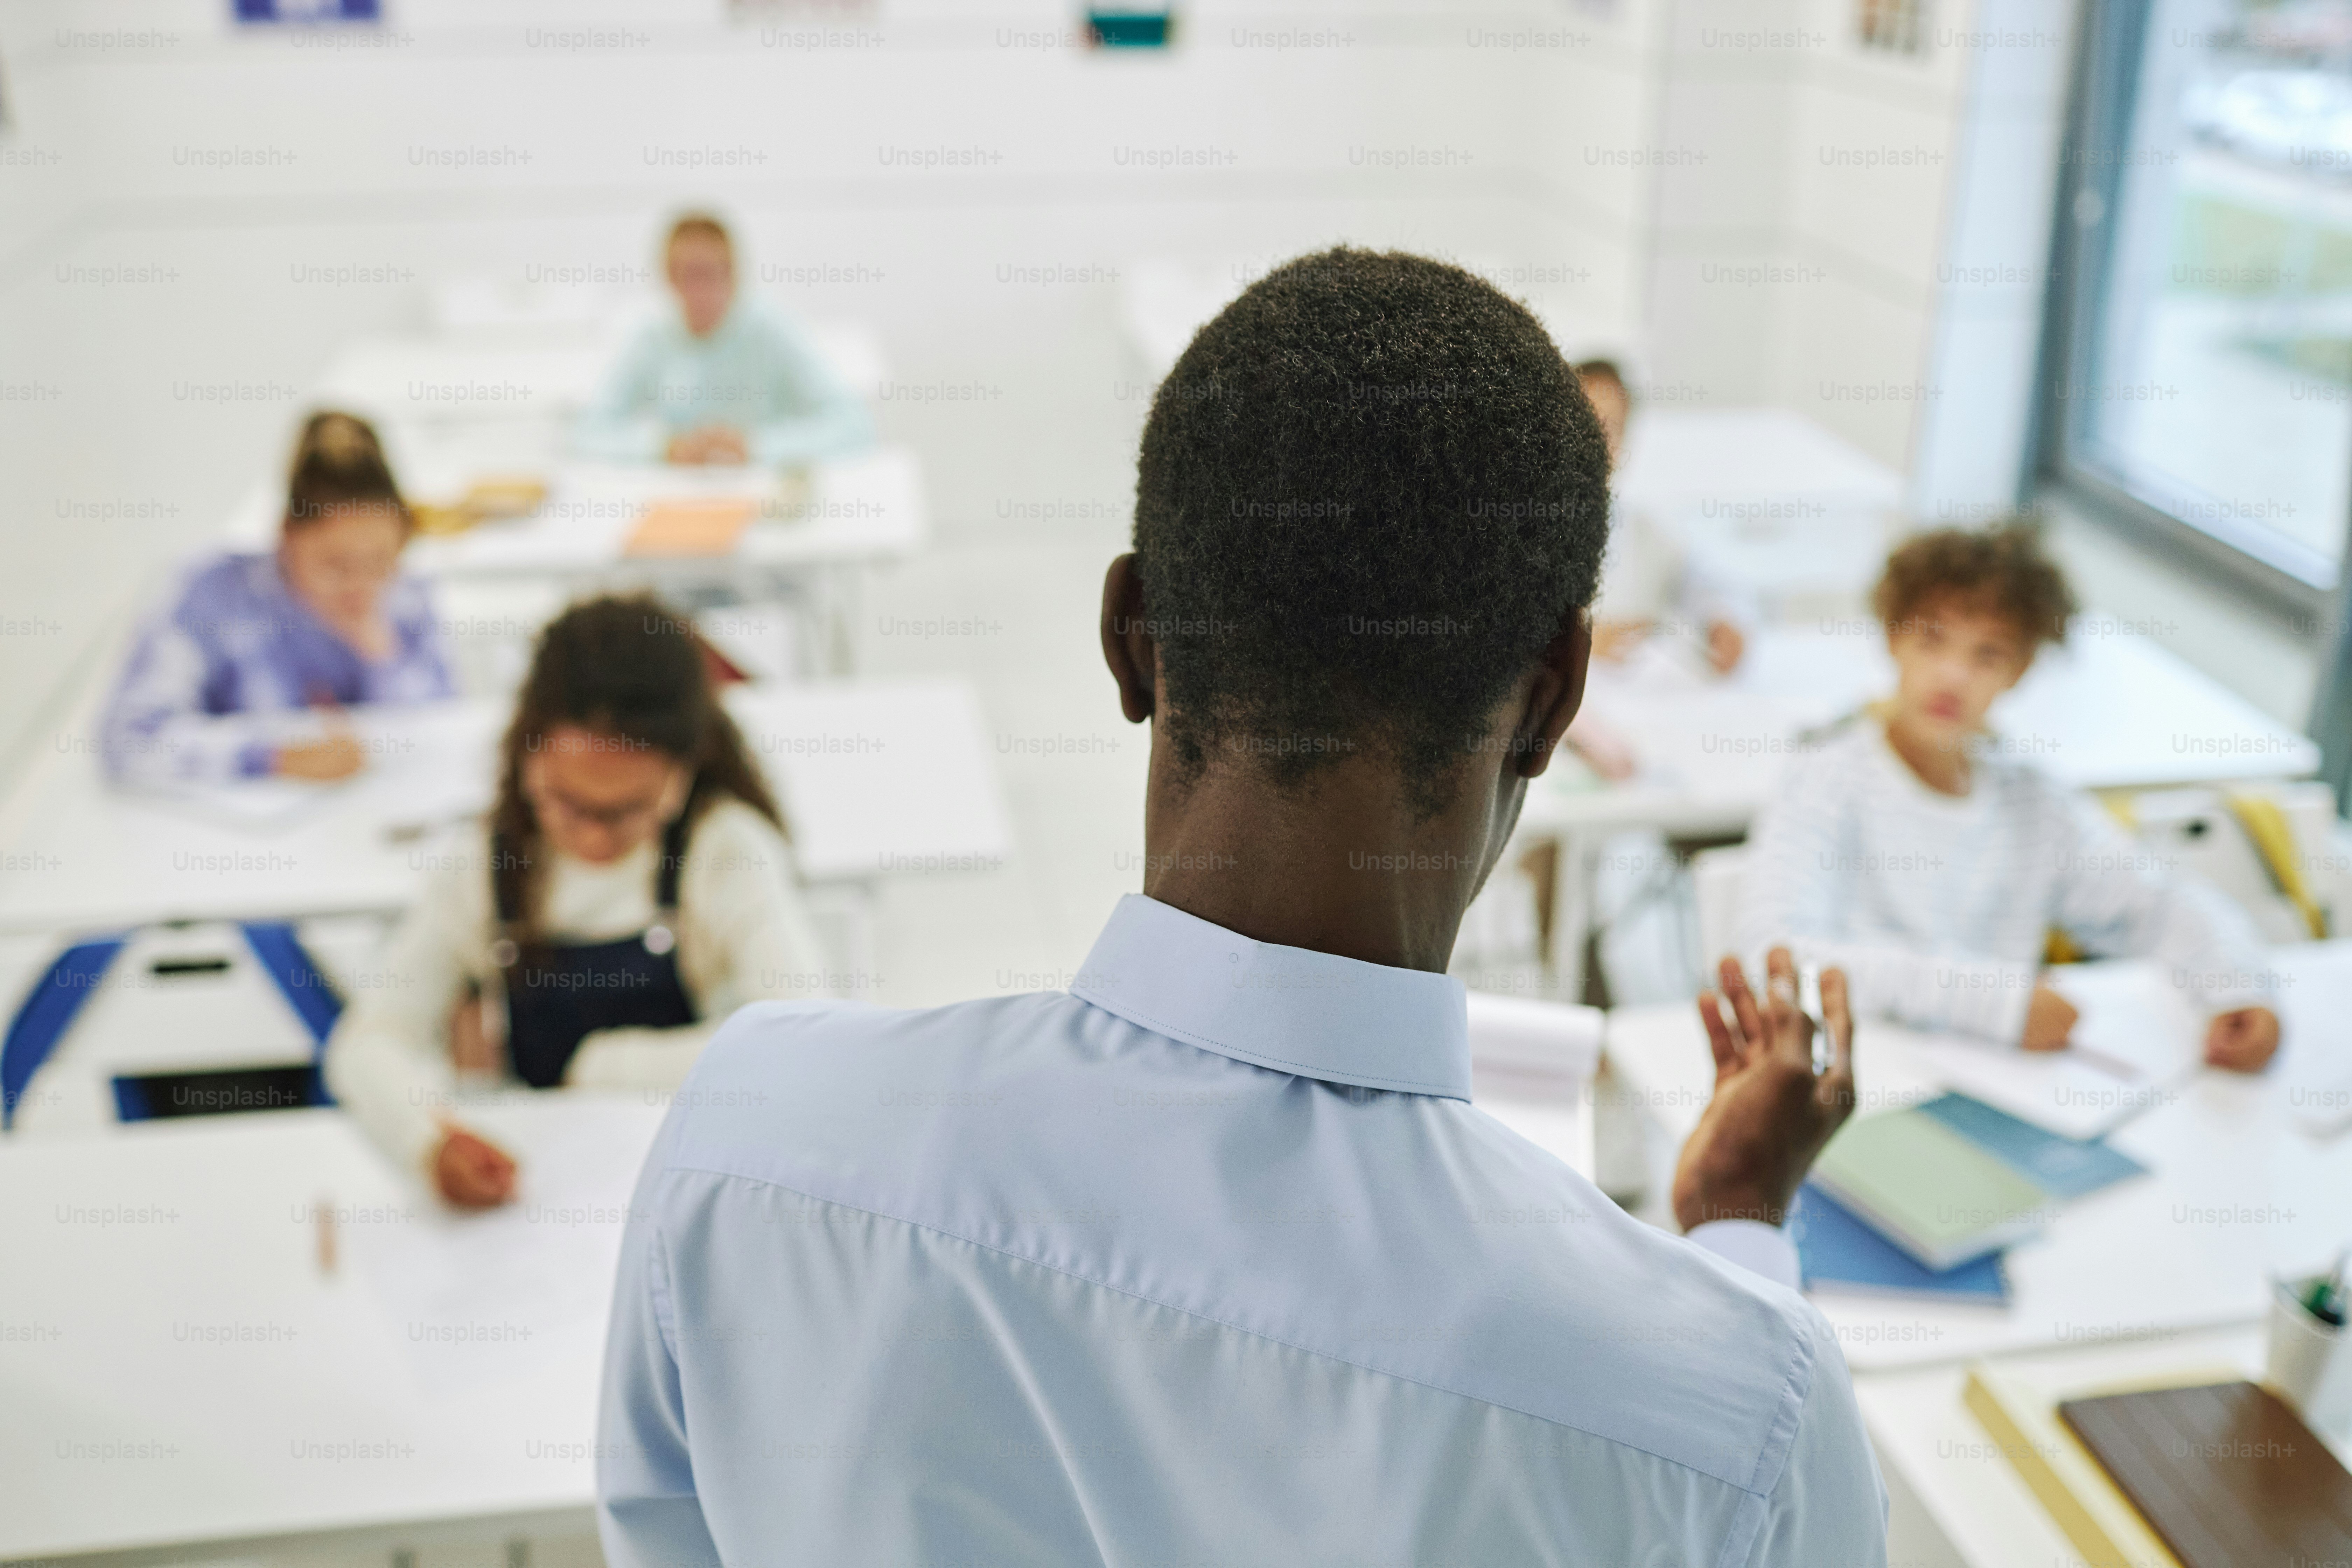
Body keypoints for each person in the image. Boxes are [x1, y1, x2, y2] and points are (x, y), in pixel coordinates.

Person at [595, 250, 1885, 1564]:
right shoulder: (1735, 1411)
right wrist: (1731, 1238)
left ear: (1130, 635)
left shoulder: (750, 1134)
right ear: (1554, 694)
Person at [324, 594, 832, 1207]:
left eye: (626, 812)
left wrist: (604, 1068)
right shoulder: (489, 865)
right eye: (567, 803)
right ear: (529, 756)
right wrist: (426, 1141)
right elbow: (368, 1042)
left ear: (684, 774)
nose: (593, 837)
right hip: (541, 1191)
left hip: (697, 1179)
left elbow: (807, 1043)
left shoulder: (724, 851)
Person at [1735, 523, 2281, 1071]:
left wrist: (2237, 988)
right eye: (1932, 641)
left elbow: (2160, 904)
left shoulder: (2034, 805)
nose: (1952, 676)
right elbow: (1776, 959)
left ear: (2019, 671)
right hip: (1854, 1081)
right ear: (1893, 639)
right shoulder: (1825, 780)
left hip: (1998, 1086)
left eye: (1988, 655)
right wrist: (1997, 1003)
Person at [100, 411, 453, 787]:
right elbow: (130, 739)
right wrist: (271, 758)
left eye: (381, 561)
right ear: (286, 536)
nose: (361, 584)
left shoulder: (408, 597)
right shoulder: (212, 595)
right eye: (336, 565)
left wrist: (384, 657)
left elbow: (447, 737)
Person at [572, 212, 873, 468]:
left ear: (733, 274)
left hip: (761, 496)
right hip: (675, 501)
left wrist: (756, 447)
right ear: (668, 277)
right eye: (688, 275)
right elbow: (586, 431)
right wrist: (665, 449)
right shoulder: (648, 336)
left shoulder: (770, 328)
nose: (700, 289)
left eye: (710, 274)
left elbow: (854, 425)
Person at [1580, 357, 1750, 676]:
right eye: (1586, 423)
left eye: (1612, 428)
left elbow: (1702, 584)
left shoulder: (1645, 532)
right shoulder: (1517, 524)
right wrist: (1580, 644)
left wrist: (1723, 621)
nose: (1597, 442)